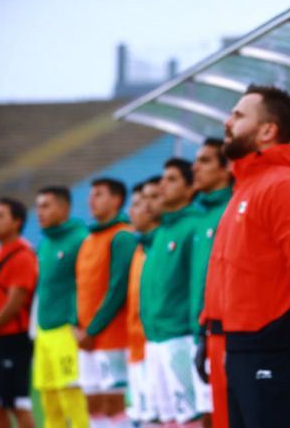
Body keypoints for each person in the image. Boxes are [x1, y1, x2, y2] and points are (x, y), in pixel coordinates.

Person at [204, 84, 290, 428]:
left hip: (274, 345)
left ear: (268, 130)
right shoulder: (246, 186)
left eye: (239, 115)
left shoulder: (283, 185)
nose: (228, 122)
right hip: (243, 344)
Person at [140, 158, 204, 426]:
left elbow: (198, 284)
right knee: (167, 419)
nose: (163, 184)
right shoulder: (161, 232)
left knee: (193, 417)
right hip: (155, 339)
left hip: (182, 339)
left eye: (172, 179)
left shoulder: (194, 226)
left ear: (190, 188)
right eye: (163, 178)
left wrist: (195, 333)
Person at [76, 177, 136, 428]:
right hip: (85, 337)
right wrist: (75, 325)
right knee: (92, 402)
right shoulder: (89, 239)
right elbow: (77, 285)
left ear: (117, 199)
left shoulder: (122, 236)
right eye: (91, 195)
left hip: (111, 337)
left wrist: (92, 329)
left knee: (114, 404)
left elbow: (118, 288)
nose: (92, 200)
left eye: (99, 194)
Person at [33, 186, 90, 428]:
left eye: (46, 206)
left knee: (73, 400)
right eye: (38, 207)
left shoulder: (80, 239)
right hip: (44, 332)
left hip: (67, 331)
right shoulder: (44, 244)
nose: (39, 212)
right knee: (49, 401)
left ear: (64, 207)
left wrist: (80, 322)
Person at [0, 198, 37, 428]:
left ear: (17, 222)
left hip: (12, 340)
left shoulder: (22, 255)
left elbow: (14, 304)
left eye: (0, 216)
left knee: (17, 403)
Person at [191, 137, 233, 428]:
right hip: (204, 332)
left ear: (226, 168)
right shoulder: (203, 217)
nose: (195, 167)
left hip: (229, 334)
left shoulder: (230, 209)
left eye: (205, 160)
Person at [125, 180, 160, 424]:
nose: (134, 210)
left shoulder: (159, 244)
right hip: (136, 347)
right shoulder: (139, 248)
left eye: (141, 203)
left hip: (156, 346)